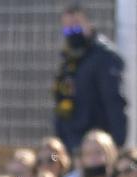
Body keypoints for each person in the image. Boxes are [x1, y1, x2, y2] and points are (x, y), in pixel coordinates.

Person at [53, 3, 127, 154]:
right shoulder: (69, 58)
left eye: (76, 27)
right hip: (70, 140)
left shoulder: (104, 56)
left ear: (88, 24)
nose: (73, 33)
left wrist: (117, 142)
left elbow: (113, 101)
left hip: (97, 142)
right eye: (68, 29)